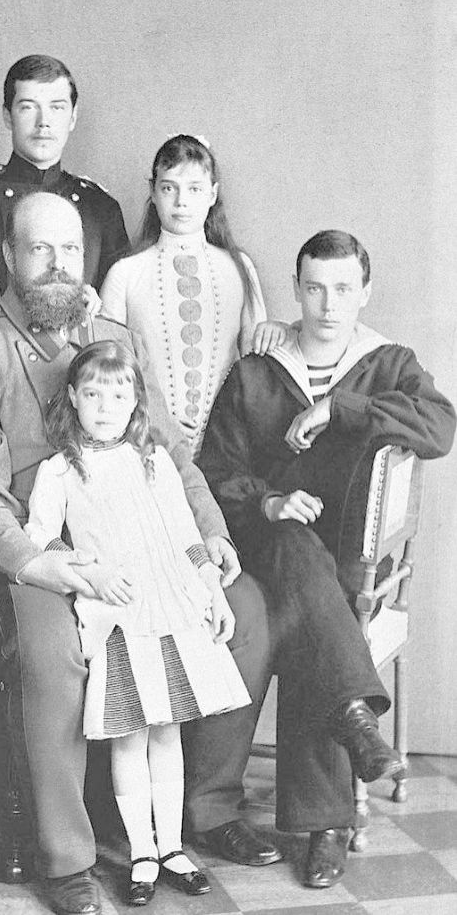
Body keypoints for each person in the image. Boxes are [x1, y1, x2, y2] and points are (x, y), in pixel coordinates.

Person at [0, 191, 271, 915]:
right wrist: (35, 561)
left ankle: (195, 814)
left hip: (141, 543)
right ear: (9, 256)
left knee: (246, 611)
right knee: (55, 652)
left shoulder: (113, 337)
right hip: (25, 549)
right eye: (40, 249)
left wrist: (211, 536)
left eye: (71, 249)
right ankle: (69, 857)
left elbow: (173, 455)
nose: (58, 264)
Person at [196, 229, 456, 889]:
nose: (328, 303)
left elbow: (439, 427)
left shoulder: (387, 363)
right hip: (262, 545)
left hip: (347, 558)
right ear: (296, 288)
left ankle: (329, 768)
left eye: (343, 288)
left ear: (365, 289)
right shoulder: (258, 370)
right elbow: (215, 470)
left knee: (311, 602)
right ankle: (333, 802)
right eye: (314, 287)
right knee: (298, 557)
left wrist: (342, 408)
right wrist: (270, 502)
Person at [25, 340, 251, 905]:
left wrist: (212, 593)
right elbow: (41, 536)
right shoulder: (60, 470)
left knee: (167, 732)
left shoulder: (154, 461)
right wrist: (90, 572)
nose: (106, 407)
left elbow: (186, 534)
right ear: (72, 397)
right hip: (117, 614)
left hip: (170, 608)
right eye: (93, 395)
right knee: (130, 736)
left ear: (136, 403)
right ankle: (142, 854)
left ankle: (172, 847)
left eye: (119, 396)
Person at [99, 134, 268, 456]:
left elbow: (256, 365)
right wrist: (155, 419)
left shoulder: (238, 268)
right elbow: (107, 370)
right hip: (146, 442)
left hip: (227, 444)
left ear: (212, 194)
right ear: (153, 192)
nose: (181, 202)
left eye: (194, 189)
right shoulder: (125, 273)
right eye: (168, 188)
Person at [0, 54, 129, 291]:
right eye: (28, 107)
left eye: (56, 107)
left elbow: (118, 303)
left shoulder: (100, 208)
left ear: (73, 117)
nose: (43, 122)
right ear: (8, 116)